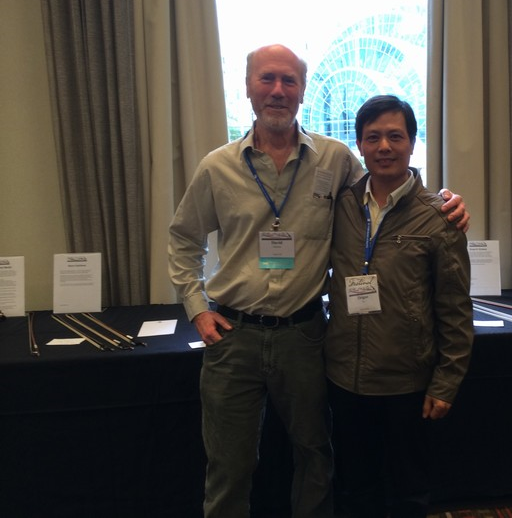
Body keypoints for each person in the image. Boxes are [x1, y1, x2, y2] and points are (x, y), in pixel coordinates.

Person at [167, 45, 469, 518]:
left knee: (315, 455)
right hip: (234, 337)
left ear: (303, 90)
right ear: (248, 88)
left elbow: (387, 188)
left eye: (289, 80)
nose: (278, 90)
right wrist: (197, 308)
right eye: (267, 79)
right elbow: (184, 239)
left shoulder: (335, 159)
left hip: (305, 336)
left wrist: (444, 200)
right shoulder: (216, 167)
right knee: (229, 463)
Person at [324, 95, 474, 518]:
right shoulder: (339, 207)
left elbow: (455, 309)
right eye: (373, 137)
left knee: (409, 490)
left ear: (412, 142)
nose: (384, 147)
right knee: (355, 488)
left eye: (395, 136)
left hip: (407, 383)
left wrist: (446, 382)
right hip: (345, 378)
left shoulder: (439, 217)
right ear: (359, 145)